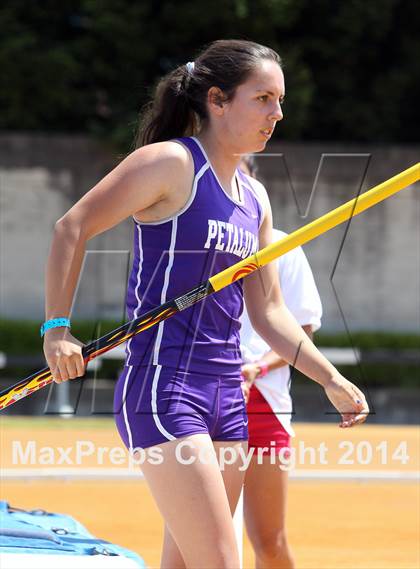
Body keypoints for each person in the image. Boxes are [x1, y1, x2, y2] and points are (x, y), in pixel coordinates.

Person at [42, 40, 368, 569]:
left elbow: (270, 313)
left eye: (279, 101)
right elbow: (72, 227)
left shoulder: (254, 198)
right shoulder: (171, 163)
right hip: (164, 387)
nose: (277, 114)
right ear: (217, 100)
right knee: (221, 563)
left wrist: (328, 377)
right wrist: (57, 329)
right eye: (262, 98)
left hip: (227, 394)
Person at [239, 155, 322, 568]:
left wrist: (257, 367)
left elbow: (302, 328)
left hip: (262, 401)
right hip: (199, 397)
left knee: (268, 541)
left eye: (242, 175)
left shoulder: (283, 247)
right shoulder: (190, 242)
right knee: (194, 538)